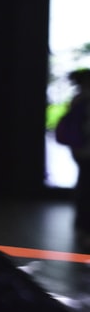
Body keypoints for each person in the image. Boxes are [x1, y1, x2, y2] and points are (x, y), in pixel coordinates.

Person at [63, 68, 90, 246]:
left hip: (81, 152)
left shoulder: (77, 99)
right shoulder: (82, 101)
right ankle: (84, 229)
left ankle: (82, 228)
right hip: (85, 152)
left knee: (84, 188)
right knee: (86, 190)